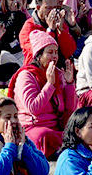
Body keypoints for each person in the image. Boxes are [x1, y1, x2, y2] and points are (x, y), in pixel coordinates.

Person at [12, 30, 78, 158]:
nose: (54, 56)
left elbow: (70, 109)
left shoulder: (58, 73)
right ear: (39, 55)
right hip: (33, 127)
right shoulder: (26, 75)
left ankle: (66, 146)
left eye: (56, 52)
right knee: (44, 136)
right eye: (50, 52)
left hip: (56, 126)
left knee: (84, 128)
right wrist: (49, 85)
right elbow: (33, 109)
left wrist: (70, 83)